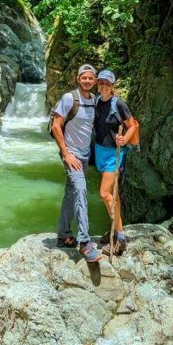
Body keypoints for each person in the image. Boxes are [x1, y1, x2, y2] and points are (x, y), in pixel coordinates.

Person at [50, 63, 102, 263]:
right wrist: (66, 153)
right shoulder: (69, 98)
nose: (87, 81)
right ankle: (84, 242)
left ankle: (63, 234)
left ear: (94, 81)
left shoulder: (94, 101)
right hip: (71, 155)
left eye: (90, 78)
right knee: (81, 191)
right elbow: (56, 125)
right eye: (84, 78)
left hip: (85, 155)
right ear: (78, 79)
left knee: (71, 194)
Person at [93, 69, 138, 255]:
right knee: (114, 195)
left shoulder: (118, 103)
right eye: (101, 83)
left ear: (113, 86)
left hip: (114, 154)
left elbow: (133, 125)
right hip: (100, 151)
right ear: (98, 84)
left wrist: (125, 139)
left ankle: (119, 237)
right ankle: (118, 227)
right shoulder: (96, 101)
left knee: (104, 193)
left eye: (107, 83)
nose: (104, 86)